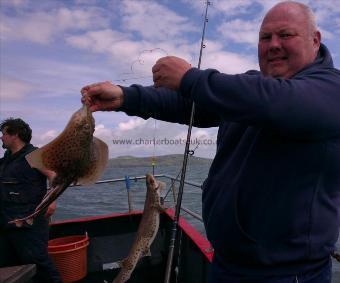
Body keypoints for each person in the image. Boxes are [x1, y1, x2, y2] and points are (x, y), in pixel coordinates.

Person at [81, 1, 340, 282]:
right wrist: (126, 97)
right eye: (265, 38)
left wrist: (190, 77)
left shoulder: (328, 90)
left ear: (315, 40)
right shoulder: (246, 94)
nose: (273, 45)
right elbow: (187, 103)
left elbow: (276, 102)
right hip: (227, 264)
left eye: (285, 35)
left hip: (288, 274)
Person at [0, 118, 61, 283]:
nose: (1, 137)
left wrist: (51, 200)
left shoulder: (34, 155)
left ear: (15, 135)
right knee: (8, 266)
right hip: (6, 222)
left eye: (4, 134)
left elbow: (54, 176)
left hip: (29, 222)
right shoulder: (5, 161)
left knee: (40, 265)